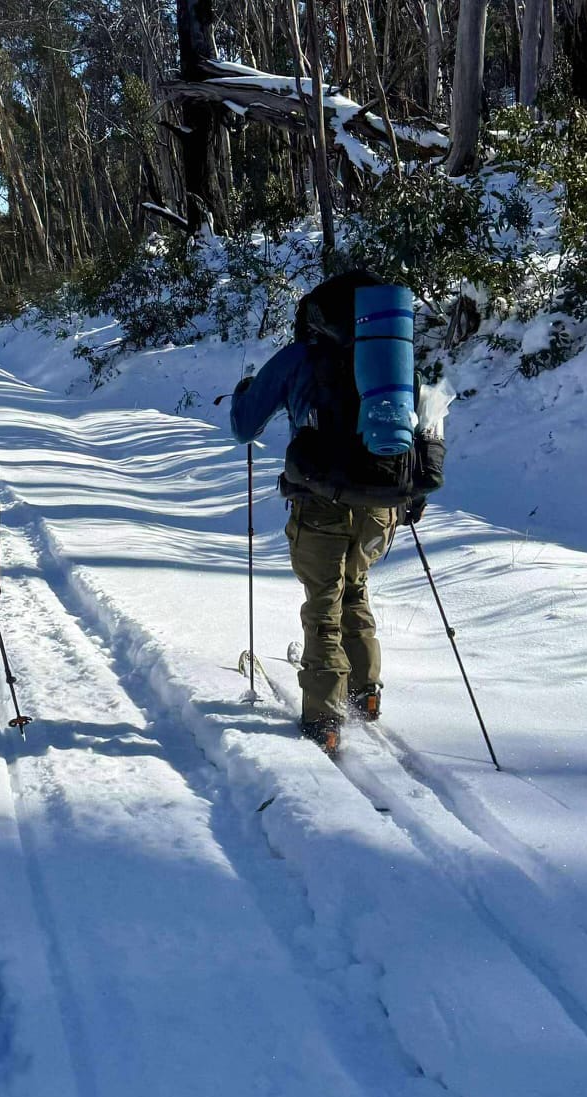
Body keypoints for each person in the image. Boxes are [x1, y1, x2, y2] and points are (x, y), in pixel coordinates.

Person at [229, 270, 445, 755]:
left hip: (319, 503)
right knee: (356, 589)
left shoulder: (300, 357)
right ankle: (366, 693)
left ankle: (324, 719)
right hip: (380, 508)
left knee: (323, 607)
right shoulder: (389, 358)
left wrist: (246, 392)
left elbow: (244, 426)